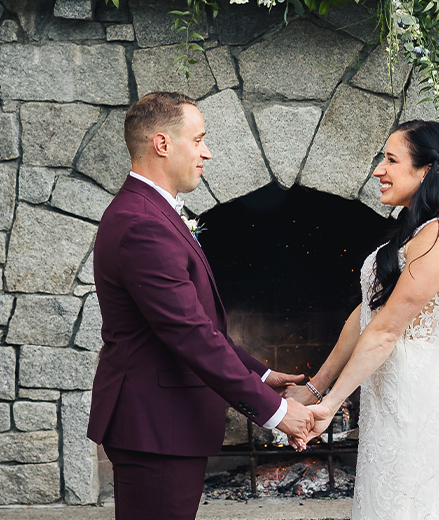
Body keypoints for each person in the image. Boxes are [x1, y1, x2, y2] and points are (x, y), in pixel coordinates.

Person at [86, 91, 315, 520]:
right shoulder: (141, 224)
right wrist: (278, 413)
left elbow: (197, 324)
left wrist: (260, 373)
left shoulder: (151, 212)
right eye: (199, 139)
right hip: (153, 426)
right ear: (162, 144)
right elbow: (189, 334)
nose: (207, 152)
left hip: (162, 425)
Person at [290, 119, 439, 520]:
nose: (378, 170)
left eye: (390, 159)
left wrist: (331, 406)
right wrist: (315, 389)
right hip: (388, 392)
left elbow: (385, 331)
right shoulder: (414, 233)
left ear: (426, 170)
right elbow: (366, 315)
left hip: (415, 397)